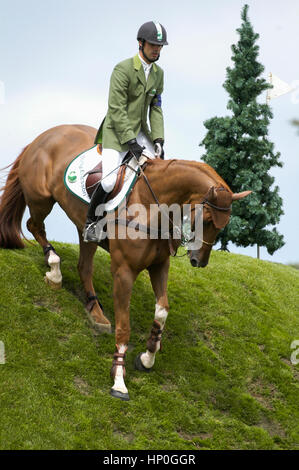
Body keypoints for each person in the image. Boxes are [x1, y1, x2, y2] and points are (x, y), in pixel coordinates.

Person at [83, 21, 168, 242]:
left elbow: (155, 108)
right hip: (116, 132)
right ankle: (91, 222)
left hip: (141, 132)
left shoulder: (159, 74)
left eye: (160, 46)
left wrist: (158, 139)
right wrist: (130, 140)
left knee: (159, 170)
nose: (157, 49)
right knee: (110, 181)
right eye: (152, 45)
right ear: (140, 43)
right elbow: (116, 109)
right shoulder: (123, 69)